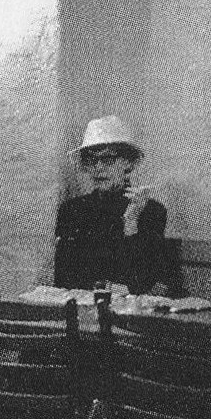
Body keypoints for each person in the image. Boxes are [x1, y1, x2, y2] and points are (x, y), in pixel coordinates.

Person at [55, 115, 178, 296]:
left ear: (128, 163)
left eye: (108, 160)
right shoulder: (72, 210)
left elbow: (143, 283)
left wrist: (131, 222)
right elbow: (63, 279)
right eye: (91, 160)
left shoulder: (150, 211)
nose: (98, 168)